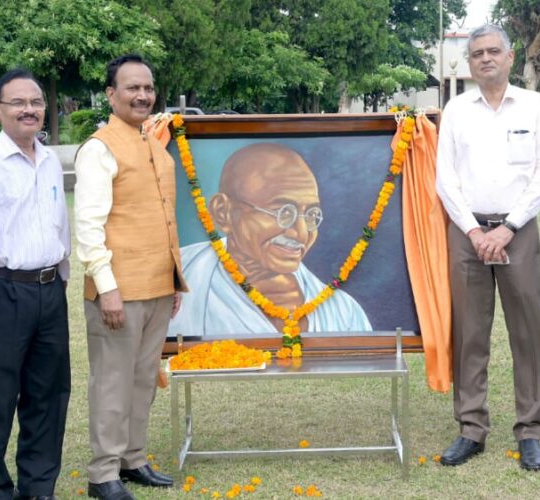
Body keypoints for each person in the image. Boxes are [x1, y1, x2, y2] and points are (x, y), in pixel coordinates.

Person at [434, 24, 540, 472]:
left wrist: (506, 229)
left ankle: (530, 430)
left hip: (517, 232)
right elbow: (446, 179)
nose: (485, 58)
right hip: (466, 234)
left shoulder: (534, 105)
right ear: (469, 63)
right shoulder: (456, 109)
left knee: (528, 331)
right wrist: (472, 231)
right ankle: (471, 428)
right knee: (469, 333)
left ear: (510, 56)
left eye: (493, 51)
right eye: (477, 53)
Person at [0, 68, 72, 500]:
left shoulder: (50, 160)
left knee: (49, 394)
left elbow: (58, 225)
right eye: (18, 102)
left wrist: (60, 279)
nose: (29, 109)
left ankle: (39, 487)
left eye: (36, 102)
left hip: (48, 290)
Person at [74, 53, 187, 500]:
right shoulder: (100, 148)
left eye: (148, 87)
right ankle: (103, 473)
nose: (143, 95)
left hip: (157, 285)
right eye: (132, 88)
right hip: (117, 291)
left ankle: (133, 459)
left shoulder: (153, 144)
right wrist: (108, 289)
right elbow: (88, 226)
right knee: (112, 381)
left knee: (143, 379)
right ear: (110, 94)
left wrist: (173, 282)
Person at [169, 143, 372, 338]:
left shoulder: (342, 313)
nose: (301, 233)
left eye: (311, 215)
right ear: (223, 213)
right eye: (283, 212)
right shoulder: (178, 274)